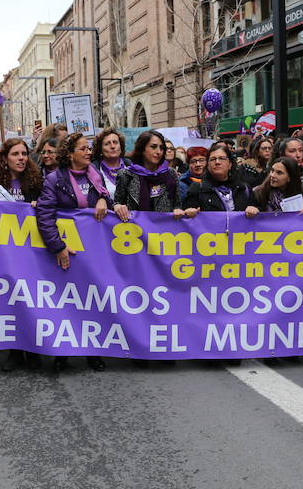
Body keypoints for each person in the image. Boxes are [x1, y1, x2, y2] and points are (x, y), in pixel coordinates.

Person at [113, 130, 189, 368]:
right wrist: (117, 207)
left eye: (161, 148)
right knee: (140, 298)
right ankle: (140, 349)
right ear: (143, 148)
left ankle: (165, 348)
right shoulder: (126, 175)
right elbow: (118, 201)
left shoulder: (172, 176)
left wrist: (179, 211)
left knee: (165, 298)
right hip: (136, 248)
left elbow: (179, 206)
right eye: (153, 147)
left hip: (165, 248)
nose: (158, 152)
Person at [35, 133, 109, 373]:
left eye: (89, 149)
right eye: (83, 149)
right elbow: (44, 216)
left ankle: (93, 352)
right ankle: (64, 352)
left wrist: (103, 199)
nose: (89, 152)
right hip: (69, 250)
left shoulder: (97, 176)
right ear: (70, 154)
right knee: (67, 303)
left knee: (93, 302)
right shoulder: (54, 180)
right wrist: (58, 246)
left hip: (96, 253)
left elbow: (108, 200)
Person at [0, 138, 44, 371]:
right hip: (7, 253)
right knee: (12, 302)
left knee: (32, 300)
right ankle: (15, 352)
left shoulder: (36, 181)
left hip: (32, 251)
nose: (21, 158)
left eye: (24, 154)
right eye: (16, 154)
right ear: (5, 159)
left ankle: (34, 351)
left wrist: (41, 204)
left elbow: (49, 207)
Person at [183, 146, 259, 217]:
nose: (217, 162)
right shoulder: (197, 188)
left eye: (222, 158)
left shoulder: (244, 189)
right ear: (208, 165)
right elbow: (186, 221)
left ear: (230, 164)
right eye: (212, 159)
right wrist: (188, 212)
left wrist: (254, 209)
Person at [91, 127, 130, 196]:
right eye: (107, 144)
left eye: (115, 142)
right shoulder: (93, 170)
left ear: (121, 147)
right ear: (100, 149)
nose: (112, 146)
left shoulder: (131, 167)